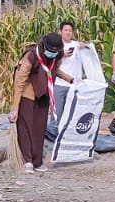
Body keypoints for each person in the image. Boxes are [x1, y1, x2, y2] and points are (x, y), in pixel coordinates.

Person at [11, 33, 75, 173]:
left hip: (44, 93)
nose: (52, 54)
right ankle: (27, 160)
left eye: (55, 52)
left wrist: (70, 79)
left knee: (39, 129)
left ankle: (37, 161)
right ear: (44, 46)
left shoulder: (56, 55)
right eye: (50, 51)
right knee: (25, 127)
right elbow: (19, 81)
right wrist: (15, 107)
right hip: (27, 94)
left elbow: (54, 70)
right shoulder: (31, 56)